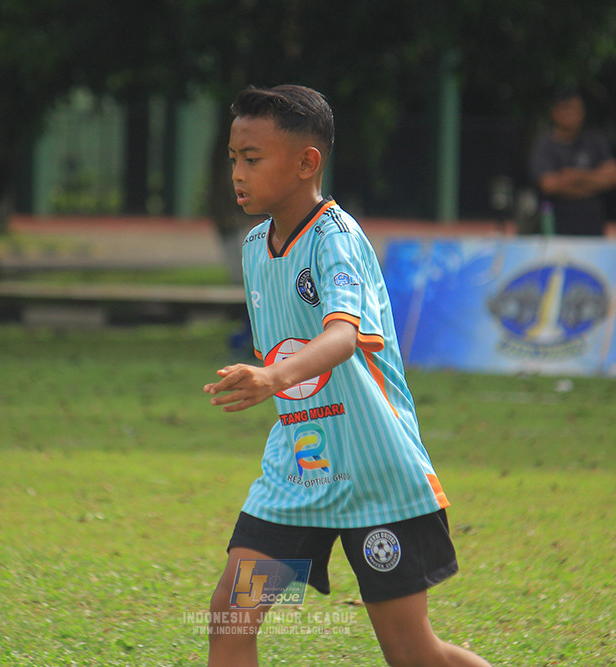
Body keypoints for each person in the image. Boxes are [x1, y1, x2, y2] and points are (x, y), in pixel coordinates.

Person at [203, 85, 490, 667]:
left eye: (252, 159)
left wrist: (271, 378)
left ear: (308, 162)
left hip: (375, 478)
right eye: (234, 158)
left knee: (412, 652)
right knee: (230, 618)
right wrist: (275, 383)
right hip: (299, 476)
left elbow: (340, 338)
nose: (238, 172)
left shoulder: (337, 239)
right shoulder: (257, 245)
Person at [529, 87, 616, 236]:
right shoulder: (544, 145)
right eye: (568, 109)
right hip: (556, 229)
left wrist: (575, 176)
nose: (574, 115)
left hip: (592, 229)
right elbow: (549, 185)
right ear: (555, 112)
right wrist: (593, 182)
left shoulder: (594, 141)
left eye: (578, 109)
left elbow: (614, 177)